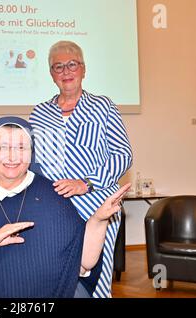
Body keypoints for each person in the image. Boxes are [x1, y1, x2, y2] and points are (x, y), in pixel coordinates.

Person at [0, 117, 130, 298]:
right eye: (3, 147)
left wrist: (98, 221)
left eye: (21, 147)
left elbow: (83, 265)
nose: (12, 156)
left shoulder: (54, 196)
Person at [29, 41, 133, 298]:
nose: (66, 71)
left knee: (96, 280)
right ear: (51, 74)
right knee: (57, 276)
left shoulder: (103, 106)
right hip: (54, 210)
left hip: (98, 206)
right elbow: (33, 163)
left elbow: (123, 155)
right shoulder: (39, 113)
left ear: (83, 69)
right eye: (58, 67)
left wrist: (86, 183)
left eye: (72, 64)